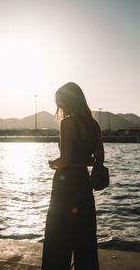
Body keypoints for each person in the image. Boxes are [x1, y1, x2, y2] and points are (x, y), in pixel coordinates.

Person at [42, 82, 104, 270]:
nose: (60, 108)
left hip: (65, 185)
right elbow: (98, 158)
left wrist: (53, 163)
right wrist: (82, 161)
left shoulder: (68, 123)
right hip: (83, 185)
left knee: (58, 235)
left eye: (61, 103)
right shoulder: (93, 124)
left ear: (69, 102)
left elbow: (66, 160)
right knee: (84, 236)